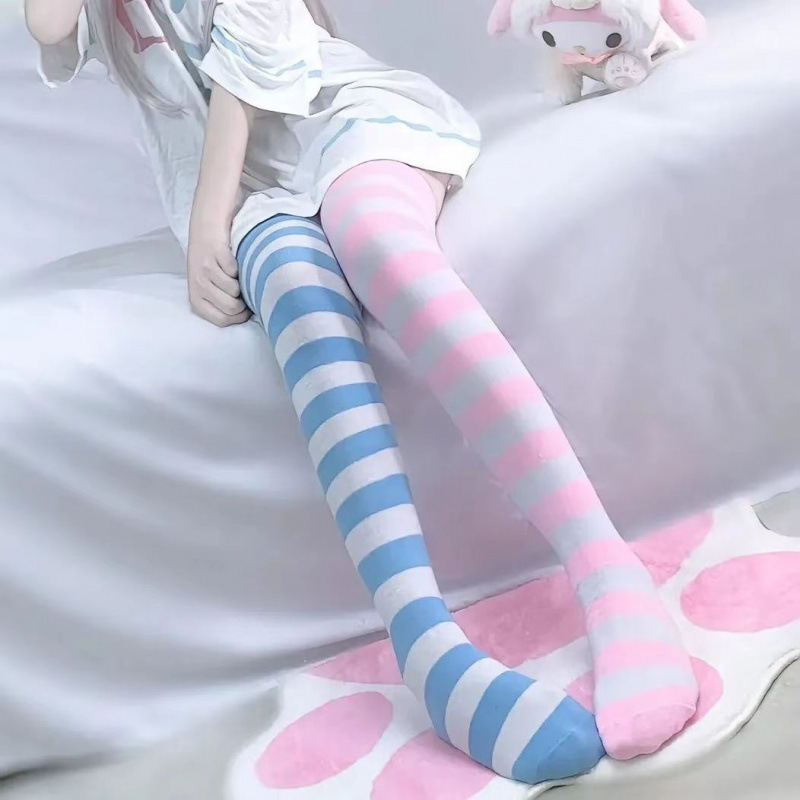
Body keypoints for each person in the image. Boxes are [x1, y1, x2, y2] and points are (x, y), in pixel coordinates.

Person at [25, 0, 697, 781]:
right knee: (300, 302)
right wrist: (216, 217)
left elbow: (250, 60)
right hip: (248, 188)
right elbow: (49, 26)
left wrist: (211, 222)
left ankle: (607, 571)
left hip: (339, 122)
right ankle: (428, 648)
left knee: (380, 249)